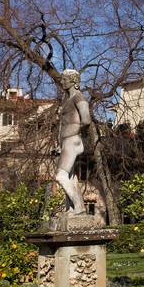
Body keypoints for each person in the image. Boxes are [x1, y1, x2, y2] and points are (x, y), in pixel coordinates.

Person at [56, 69, 91, 216]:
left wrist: (76, 134)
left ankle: (79, 206)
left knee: (60, 176)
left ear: (73, 81)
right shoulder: (68, 100)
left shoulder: (78, 97)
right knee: (69, 177)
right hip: (66, 141)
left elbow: (86, 119)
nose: (62, 81)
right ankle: (71, 208)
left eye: (65, 79)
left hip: (72, 140)